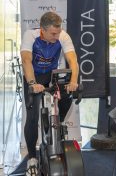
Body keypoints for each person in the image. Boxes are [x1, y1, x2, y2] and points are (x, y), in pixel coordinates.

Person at [21, 12, 79, 176]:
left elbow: (73, 60)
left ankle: (57, 124)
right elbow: (26, 60)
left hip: (52, 75)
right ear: (43, 30)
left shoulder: (63, 35)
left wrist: (73, 81)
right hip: (33, 75)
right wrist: (32, 84)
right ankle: (32, 157)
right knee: (32, 116)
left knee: (67, 94)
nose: (57, 36)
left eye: (58, 32)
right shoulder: (30, 35)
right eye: (53, 33)